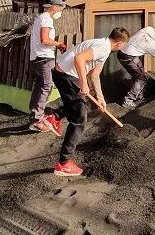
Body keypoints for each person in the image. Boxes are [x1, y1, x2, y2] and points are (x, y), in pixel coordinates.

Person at [51, 27, 130, 177]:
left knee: (79, 107)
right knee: (79, 118)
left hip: (64, 73)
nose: (123, 47)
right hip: (67, 75)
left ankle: (54, 116)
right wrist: (83, 83)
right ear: (119, 43)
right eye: (124, 44)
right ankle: (64, 163)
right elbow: (79, 58)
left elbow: (95, 74)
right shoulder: (102, 48)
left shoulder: (104, 47)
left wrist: (100, 98)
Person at [28, 0, 68, 136]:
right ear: (55, 7)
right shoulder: (46, 19)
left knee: (39, 86)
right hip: (44, 57)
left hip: (38, 57)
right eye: (61, 9)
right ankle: (37, 120)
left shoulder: (40, 18)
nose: (60, 13)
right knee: (46, 86)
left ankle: (35, 115)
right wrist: (59, 44)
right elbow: (44, 40)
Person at [117, 27, 155, 108]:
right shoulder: (154, 46)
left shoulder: (149, 29)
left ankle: (139, 96)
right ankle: (128, 100)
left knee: (139, 75)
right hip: (128, 57)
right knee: (141, 77)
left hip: (122, 52)